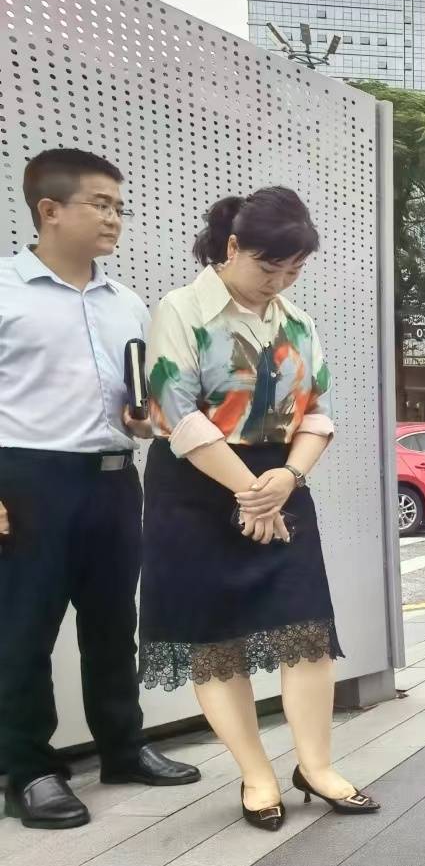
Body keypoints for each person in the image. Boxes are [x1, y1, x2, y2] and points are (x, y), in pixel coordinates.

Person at [139, 188, 370, 831]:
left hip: (280, 479)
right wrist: (251, 491)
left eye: (293, 271)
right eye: (268, 268)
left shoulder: (296, 322)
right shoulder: (181, 310)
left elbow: (319, 411)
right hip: (196, 487)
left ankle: (316, 766)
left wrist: (287, 479)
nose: (279, 282)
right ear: (233, 247)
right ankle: (256, 774)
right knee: (216, 642)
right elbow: (173, 412)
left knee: (306, 629)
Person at [0, 149, 202, 829]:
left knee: (114, 625)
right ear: (49, 210)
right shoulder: (4, 288)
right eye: (100, 204)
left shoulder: (127, 303)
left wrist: (141, 420)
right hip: (29, 480)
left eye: (119, 206)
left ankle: (123, 746)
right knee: (22, 631)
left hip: (115, 480)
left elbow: (137, 408)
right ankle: (29, 770)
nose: (115, 218)